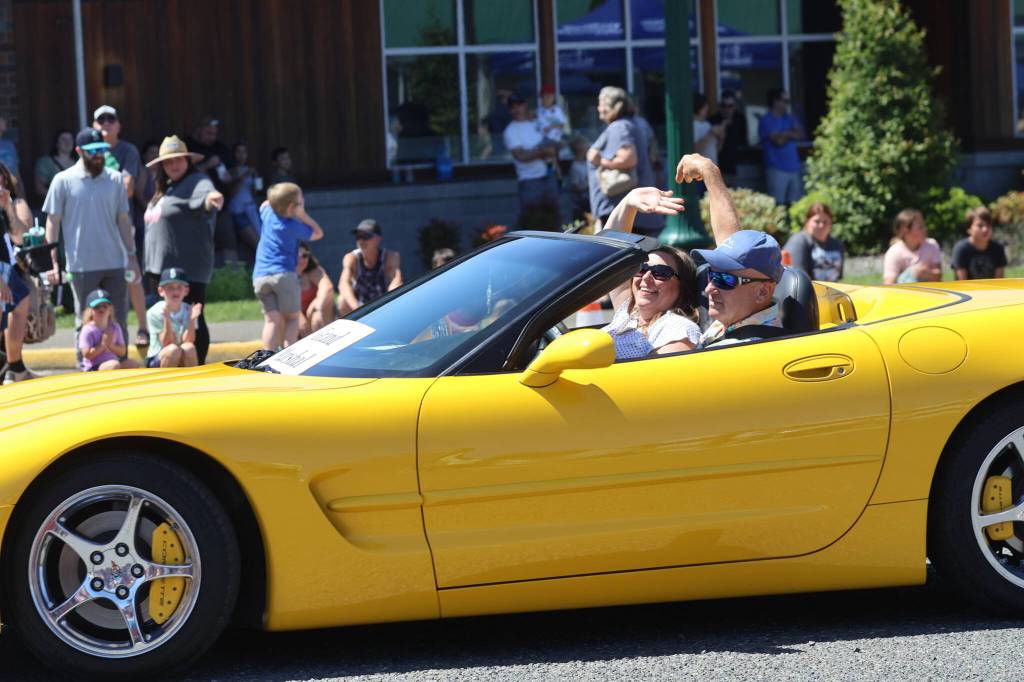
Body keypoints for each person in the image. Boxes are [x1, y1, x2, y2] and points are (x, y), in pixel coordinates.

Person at [43, 128, 134, 344]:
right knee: (85, 321)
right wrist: (52, 262)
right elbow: (52, 223)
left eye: (101, 150)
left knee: (118, 320)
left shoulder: (116, 179)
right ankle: (86, 369)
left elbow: (123, 220)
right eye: (92, 151)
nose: (98, 155)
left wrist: (132, 257)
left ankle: (122, 369)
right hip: (81, 265)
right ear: (78, 151)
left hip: (115, 262)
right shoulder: (62, 180)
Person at [143, 135, 224, 364]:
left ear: (188, 161)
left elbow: (207, 195)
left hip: (188, 268)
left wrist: (212, 198)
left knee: (194, 317)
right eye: (168, 162)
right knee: (165, 317)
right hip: (161, 267)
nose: (174, 165)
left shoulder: (197, 180)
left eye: (178, 160)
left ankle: (196, 365)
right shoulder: (166, 188)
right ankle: (170, 365)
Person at [598, 187, 701, 359]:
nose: (646, 277)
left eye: (660, 272)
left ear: (682, 287)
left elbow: (649, 380)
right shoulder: (627, 312)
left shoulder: (678, 328)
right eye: (641, 269)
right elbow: (609, 252)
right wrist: (628, 203)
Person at [93, 105, 148, 349]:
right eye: (100, 119)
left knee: (131, 275)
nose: (106, 123)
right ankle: (103, 333)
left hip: (122, 221)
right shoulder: (90, 151)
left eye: (110, 119)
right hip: (96, 225)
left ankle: (143, 327)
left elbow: (128, 187)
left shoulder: (128, 150)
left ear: (118, 125)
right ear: (94, 125)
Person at [254, 182, 324, 350]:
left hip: (260, 276)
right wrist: (303, 215)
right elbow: (318, 233)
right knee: (292, 318)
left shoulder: (268, 214)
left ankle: (267, 355)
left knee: (271, 320)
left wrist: (280, 202)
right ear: (293, 207)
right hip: (283, 275)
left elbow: (264, 204)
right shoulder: (292, 226)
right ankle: (289, 354)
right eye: (301, 201)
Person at [587, 87, 660, 234]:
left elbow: (628, 159)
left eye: (600, 103)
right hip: (627, 212)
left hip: (620, 213)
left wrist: (599, 160)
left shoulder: (620, 126)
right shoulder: (628, 124)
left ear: (610, 106)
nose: (598, 108)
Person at [0, 161, 38, 384]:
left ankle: (15, 366)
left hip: (9, 269)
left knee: (18, 304)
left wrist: (8, 208)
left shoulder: (14, 203)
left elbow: (21, 238)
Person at [503, 93, 559, 222]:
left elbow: (554, 138)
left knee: (554, 218)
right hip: (529, 181)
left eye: (519, 105)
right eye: (513, 107)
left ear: (525, 106)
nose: (517, 109)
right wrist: (543, 152)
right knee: (532, 221)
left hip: (550, 175)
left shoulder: (537, 123)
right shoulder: (510, 130)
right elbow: (521, 156)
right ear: (509, 110)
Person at [337, 219, 402, 316]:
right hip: (359, 306)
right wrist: (357, 308)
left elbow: (396, 282)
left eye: (366, 236)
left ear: (378, 239)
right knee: (342, 301)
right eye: (358, 236)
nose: (361, 241)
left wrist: (387, 305)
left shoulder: (390, 256)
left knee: (400, 299)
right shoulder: (351, 258)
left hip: (384, 305)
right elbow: (343, 284)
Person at [145, 267, 202, 368]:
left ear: (186, 291)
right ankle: (165, 382)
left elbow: (188, 340)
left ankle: (192, 382)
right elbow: (167, 342)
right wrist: (167, 318)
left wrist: (192, 319)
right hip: (157, 358)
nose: (175, 291)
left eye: (179, 287)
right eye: (170, 287)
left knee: (189, 348)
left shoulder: (189, 310)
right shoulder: (154, 312)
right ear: (161, 291)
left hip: (178, 353)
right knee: (173, 350)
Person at [759, 89, 805, 206]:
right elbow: (778, 142)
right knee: (777, 206)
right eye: (785, 101)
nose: (787, 104)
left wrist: (785, 134)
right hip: (776, 169)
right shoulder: (766, 120)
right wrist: (791, 133)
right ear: (775, 102)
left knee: (795, 205)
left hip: (794, 168)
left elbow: (801, 135)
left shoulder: (789, 118)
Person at [78, 288, 140, 371]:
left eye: (105, 306)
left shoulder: (115, 327)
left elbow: (122, 351)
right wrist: (103, 345)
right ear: (90, 311)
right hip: (94, 367)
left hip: (112, 362)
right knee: (114, 365)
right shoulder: (88, 329)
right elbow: (86, 354)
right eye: (97, 307)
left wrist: (111, 345)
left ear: (110, 310)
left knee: (133, 364)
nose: (101, 309)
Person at [783, 202, 844, 282]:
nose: (821, 225)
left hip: (833, 291)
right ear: (807, 222)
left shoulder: (836, 244)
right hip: (807, 292)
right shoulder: (798, 242)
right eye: (817, 221)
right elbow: (798, 278)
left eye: (825, 222)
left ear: (830, 223)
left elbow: (839, 276)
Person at [883, 209, 942, 284]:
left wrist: (924, 273)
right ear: (905, 231)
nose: (925, 229)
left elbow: (938, 275)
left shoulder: (931, 245)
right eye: (920, 227)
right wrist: (909, 274)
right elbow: (889, 284)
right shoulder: (894, 252)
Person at [952, 206, 1007, 280]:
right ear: (969, 229)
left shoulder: (998, 249)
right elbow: (962, 283)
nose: (985, 229)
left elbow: (999, 282)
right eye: (980, 226)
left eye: (988, 225)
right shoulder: (961, 249)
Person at [228, 141, 261, 259]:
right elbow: (231, 193)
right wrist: (244, 176)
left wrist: (255, 179)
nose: (241, 155)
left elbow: (256, 192)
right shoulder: (230, 171)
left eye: (244, 152)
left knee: (261, 238)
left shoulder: (251, 170)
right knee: (256, 243)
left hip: (251, 208)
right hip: (238, 210)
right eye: (238, 152)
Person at [709, 90, 748, 186]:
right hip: (715, 166)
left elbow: (743, 141)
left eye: (730, 106)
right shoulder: (713, 120)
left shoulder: (740, 119)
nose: (727, 109)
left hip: (734, 166)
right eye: (724, 106)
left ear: (734, 106)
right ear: (720, 106)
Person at [296, 243, 335, 338]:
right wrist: (298, 316)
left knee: (317, 317)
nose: (301, 259)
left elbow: (327, 287)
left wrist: (317, 307)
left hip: (316, 318)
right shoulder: (284, 276)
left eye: (305, 255)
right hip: (294, 319)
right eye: (296, 256)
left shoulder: (314, 271)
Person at [34, 129, 76, 200]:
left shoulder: (79, 162)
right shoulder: (46, 162)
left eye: (70, 139)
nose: (67, 142)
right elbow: (40, 188)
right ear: (56, 142)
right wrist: (59, 198)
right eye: (63, 139)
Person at [692, 93, 724, 166]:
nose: (707, 108)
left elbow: (716, 150)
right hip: (701, 171)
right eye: (705, 106)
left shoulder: (707, 124)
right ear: (699, 108)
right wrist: (710, 133)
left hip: (713, 168)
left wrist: (722, 138)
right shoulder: (693, 125)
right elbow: (695, 150)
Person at [567, 134, 591, 222]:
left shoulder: (587, 163)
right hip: (582, 204)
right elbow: (575, 187)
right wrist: (589, 183)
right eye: (586, 145)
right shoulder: (575, 166)